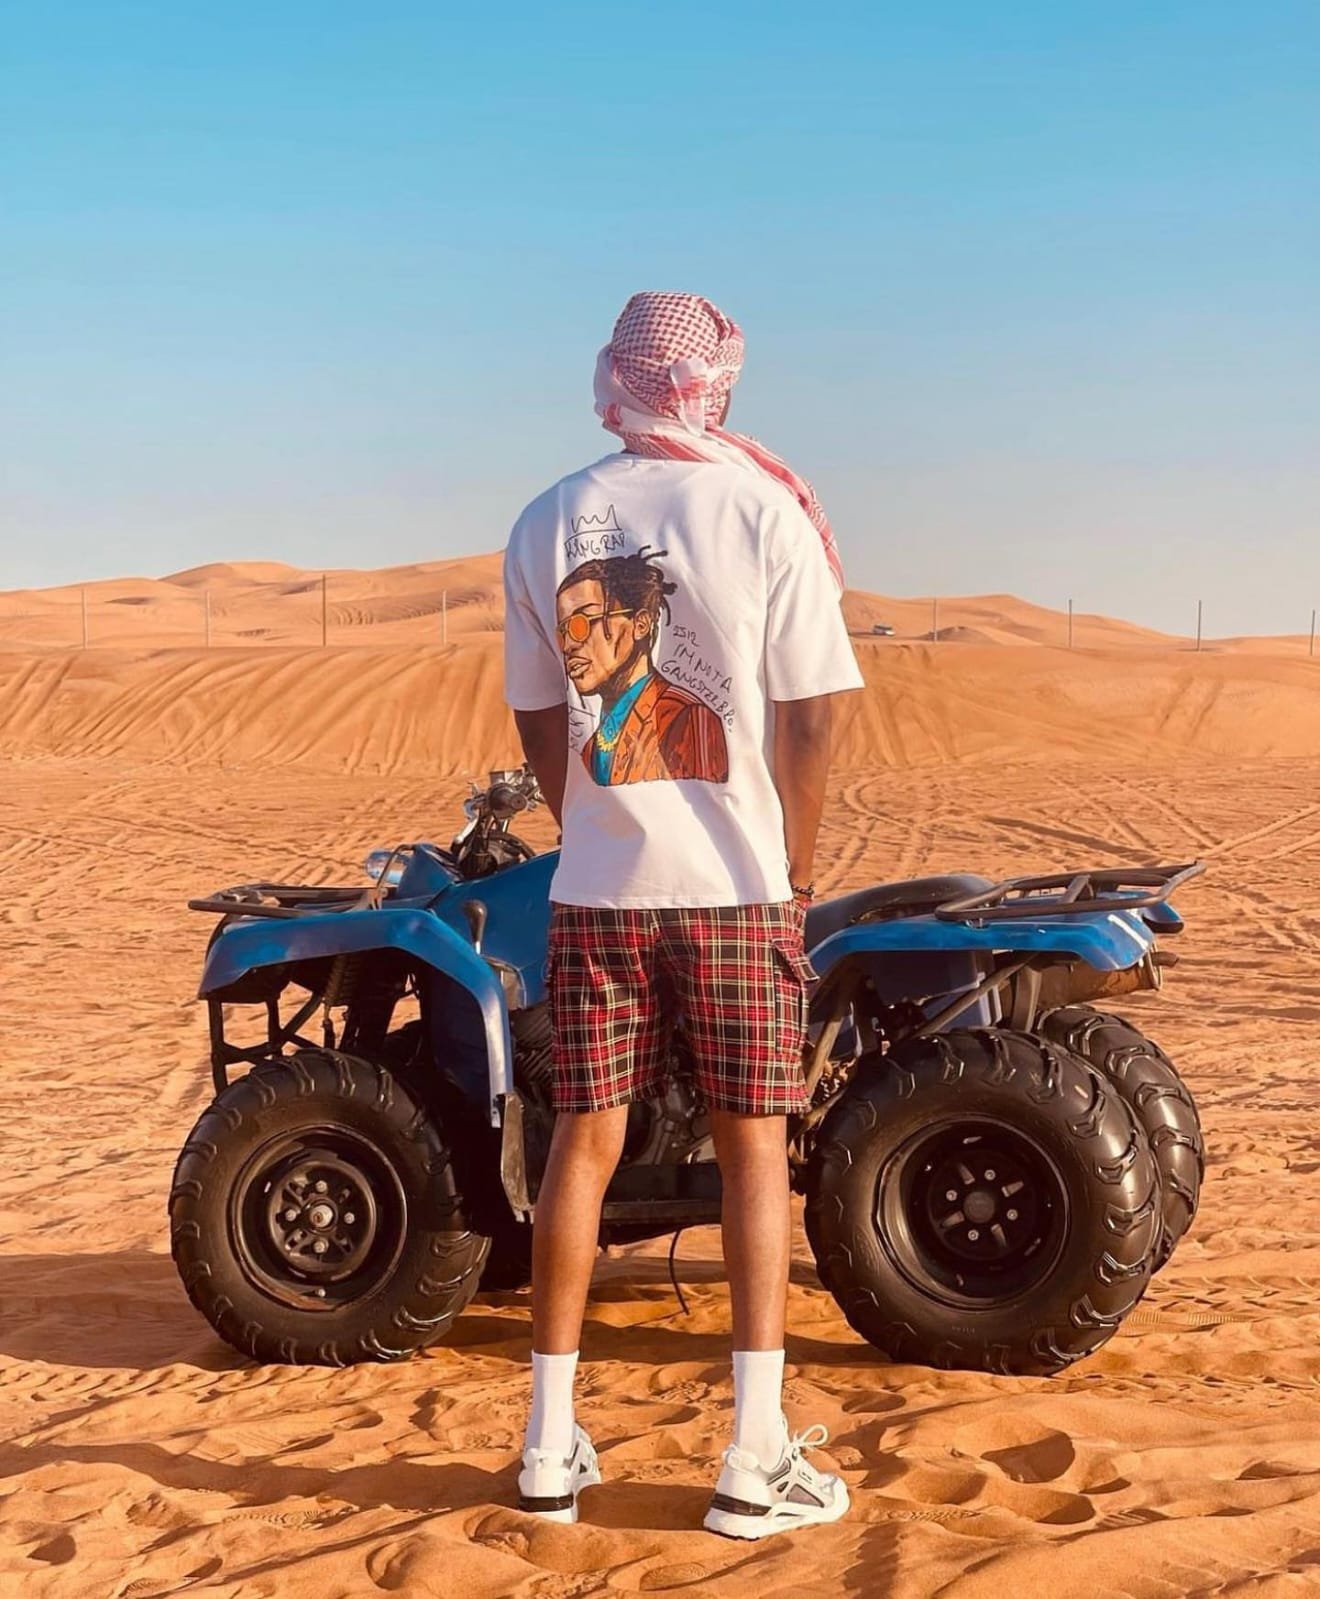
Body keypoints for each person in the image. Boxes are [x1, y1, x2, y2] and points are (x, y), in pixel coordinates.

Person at [502, 290, 863, 1539]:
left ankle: (547, 1450)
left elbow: (537, 714)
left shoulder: (545, 517)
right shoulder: (763, 510)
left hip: (598, 890)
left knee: (581, 1145)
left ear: (616, 375)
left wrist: (589, 822)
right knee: (754, 1148)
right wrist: (794, 869)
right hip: (736, 890)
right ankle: (753, 1460)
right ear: (714, 382)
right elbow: (813, 714)